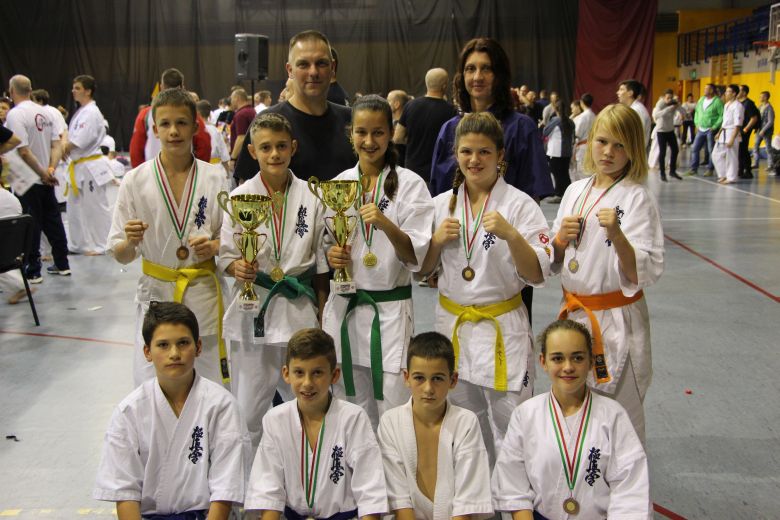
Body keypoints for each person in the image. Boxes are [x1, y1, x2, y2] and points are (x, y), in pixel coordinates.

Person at [421, 112, 550, 462]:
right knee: (463, 430)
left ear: (500, 155)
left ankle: (513, 494)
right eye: (466, 151)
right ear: (455, 154)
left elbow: (536, 274)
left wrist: (511, 235)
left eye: (484, 152)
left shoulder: (520, 205)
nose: (474, 160)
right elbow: (423, 270)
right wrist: (435, 242)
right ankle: (475, 495)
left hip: (501, 329)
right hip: (454, 328)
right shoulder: (440, 206)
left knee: (513, 429)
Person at [550, 103, 664, 444]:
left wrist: (618, 235)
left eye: (620, 145)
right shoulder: (575, 191)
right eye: (602, 142)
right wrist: (559, 239)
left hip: (618, 320)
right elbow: (554, 257)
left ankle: (624, 478)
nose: (608, 152)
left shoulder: (637, 198)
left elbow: (641, 272)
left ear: (634, 149)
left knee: (621, 419)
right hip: (575, 315)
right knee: (575, 412)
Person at [219, 112, 330, 450]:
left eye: (281, 146)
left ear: (293, 148)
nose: (274, 154)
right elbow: (225, 256)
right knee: (248, 412)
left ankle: (305, 474)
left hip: (299, 310)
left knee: (309, 405)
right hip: (254, 311)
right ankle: (246, 481)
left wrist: (323, 313)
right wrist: (237, 267)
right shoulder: (240, 197)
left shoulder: (313, 196)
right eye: (265, 148)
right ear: (252, 151)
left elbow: (321, 262)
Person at [323, 94, 434, 428]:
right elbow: (325, 243)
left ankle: (393, 464)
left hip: (390, 312)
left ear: (391, 133)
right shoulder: (339, 184)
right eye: (361, 132)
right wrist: (332, 256)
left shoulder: (410, 185)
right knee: (348, 406)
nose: (369, 141)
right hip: (345, 307)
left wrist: (386, 224)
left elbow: (417, 257)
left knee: (392, 408)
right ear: (351, 134)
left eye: (378, 132)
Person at [108, 88, 230, 388]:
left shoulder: (215, 177)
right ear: (155, 129)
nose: (173, 131)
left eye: (181, 123)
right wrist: (130, 242)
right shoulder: (134, 180)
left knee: (211, 383)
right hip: (157, 293)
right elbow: (121, 254)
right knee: (153, 385)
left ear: (195, 127)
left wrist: (215, 246)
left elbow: (231, 239)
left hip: (202, 292)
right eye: (165, 124)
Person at [429, 37, 553, 322]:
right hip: (458, 253)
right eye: (470, 69)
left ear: (499, 75)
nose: (477, 76)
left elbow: (531, 198)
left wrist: (517, 247)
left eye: (486, 68)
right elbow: (438, 196)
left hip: (504, 259)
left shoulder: (521, 127)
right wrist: (436, 258)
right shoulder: (449, 130)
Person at [93, 302, 251, 520]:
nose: (174, 353)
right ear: (147, 352)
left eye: (183, 343)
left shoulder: (222, 406)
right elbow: (125, 493)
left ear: (198, 347)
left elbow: (225, 489)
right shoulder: (129, 412)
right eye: (163, 345)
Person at [492, 319, 652, 520]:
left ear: (591, 361)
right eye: (557, 358)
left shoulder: (613, 415)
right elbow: (513, 485)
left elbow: (630, 489)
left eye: (577, 358)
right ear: (543, 362)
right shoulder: (525, 414)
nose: (568, 367)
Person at [244, 328, 388, 520]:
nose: (307, 383)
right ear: (286, 374)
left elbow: (370, 492)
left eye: (317, 373)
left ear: (334, 375)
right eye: (299, 372)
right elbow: (268, 491)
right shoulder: (275, 420)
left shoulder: (353, 418)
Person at [377, 332, 493, 520]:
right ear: (406, 377)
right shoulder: (390, 423)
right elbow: (399, 502)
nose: (428, 388)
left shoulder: (466, 423)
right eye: (419, 378)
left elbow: (466, 503)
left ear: (453, 380)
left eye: (437, 378)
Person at [233, 31, 353, 184]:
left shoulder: (352, 121)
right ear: (290, 70)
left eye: (321, 63)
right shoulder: (266, 122)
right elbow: (247, 190)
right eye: (303, 64)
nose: (313, 72)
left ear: (333, 67)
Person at [5, 74, 70, 283]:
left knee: (30, 224)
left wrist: (42, 173)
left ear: (12, 91)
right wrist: (51, 169)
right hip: (46, 176)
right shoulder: (45, 112)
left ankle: (33, 270)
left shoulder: (16, 114)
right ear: (30, 90)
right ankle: (62, 263)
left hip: (29, 178)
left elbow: (23, 150)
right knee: (53, 220)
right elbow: (57, 144)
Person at [61, 75, 114, 256]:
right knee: (73, 207)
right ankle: (78, 245)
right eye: (73, 87)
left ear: (88, 91)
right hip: (78, 165)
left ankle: (104, 245)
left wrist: (64, 148)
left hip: (90, 166)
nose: (73, 91)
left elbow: (81, 140)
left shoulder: (91, 112)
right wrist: (65, 147)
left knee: (96, 207)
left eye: (77, 88)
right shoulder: (82, 111)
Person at [129, 68, 211, 168]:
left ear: (161, 87)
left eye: (181, 123)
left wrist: (140, 172)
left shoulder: (145, 115)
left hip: (153, 171)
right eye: (165, 124)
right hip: (184, 171)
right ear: (183, 87)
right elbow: (204, 145)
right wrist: (198, 170)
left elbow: (136, 149)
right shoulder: (191, 114)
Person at [393, 68, 457, 185]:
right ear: (444, 86)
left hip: (411, 172)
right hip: (436, 174)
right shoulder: (452, 111)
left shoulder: (410, 106)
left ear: (426, 83)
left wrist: (413, 141)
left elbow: (397, 138)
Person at [688, 83, 723, 176]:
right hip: (701, 129)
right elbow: (697, 112)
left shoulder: (717, 101)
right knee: (695, 148)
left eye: (707, 89)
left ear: (711, 90)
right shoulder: (701, 99)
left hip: (710, 129)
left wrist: (715, 126)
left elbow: (721, 115)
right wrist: (696, 123)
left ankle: (710, 169)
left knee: (711, 150)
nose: (704, 90)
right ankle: (693, 168)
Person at [543, 98, 575, 202]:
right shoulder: (571, 121)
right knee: (564, 174)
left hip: (555, 152)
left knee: (557, 174)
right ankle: (567, 194)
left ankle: (559, 194)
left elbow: (545, 132)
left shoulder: (555, 121)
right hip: (567, 152)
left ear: (555, 109)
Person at [713, 84, 744, 185]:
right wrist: (719, 132)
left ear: (734, 93)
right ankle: (723, 174)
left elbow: (738, 124)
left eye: (728, 91)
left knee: (731, 157)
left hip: (732, 132)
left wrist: (732, 139)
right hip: (724, 132)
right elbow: (724, 121)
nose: (726, 93)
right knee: (715, 155)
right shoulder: (726, 105)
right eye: (726, 91)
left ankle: (731, 177)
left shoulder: (738, 106)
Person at [652, 89, 685, 181]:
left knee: (675, 150)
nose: (669, 100)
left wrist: (678, 106)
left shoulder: (673, 103)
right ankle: (662, 173)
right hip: (661, 131)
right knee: (662, 152)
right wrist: (669, 108)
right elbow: (656, 115)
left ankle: (672, 171)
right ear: (664, 97)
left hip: (670, 130)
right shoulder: (660, 104)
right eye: (667, 98)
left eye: (671, 98)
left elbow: (684, 113)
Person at [196, 99, 230, 174]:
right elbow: (224, 154)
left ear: (197, 113)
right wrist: (227, 173)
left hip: (200, 168)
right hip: (216, 168)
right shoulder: (215, 130)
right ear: (209, 114)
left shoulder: (195, 130)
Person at [616, 79, 651, 148]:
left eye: (621, 89)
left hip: (634, 150)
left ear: (630, 93)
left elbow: (634, 135)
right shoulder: (633, 109)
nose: (617, 92)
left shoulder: (637, 110)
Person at [229, 88, 255, 170]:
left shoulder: (241, 114)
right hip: (252, 156)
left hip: (243, 158)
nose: (231, 102)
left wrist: (233, 158)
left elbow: (241, 137)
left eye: (232, 99)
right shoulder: (252, 111)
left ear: (237, 98)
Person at [572, 93, 596, 183]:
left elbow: (577, 133)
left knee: (581, 171)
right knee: (588, 169)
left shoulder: (582, 117)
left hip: (582, 146)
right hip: (590, 144)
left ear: (581, 103)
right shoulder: (594, 115)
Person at [737, 85, 760, 179]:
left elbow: (754, 118)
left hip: (744, 130)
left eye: (739, 90)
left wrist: (745, 129)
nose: (737, 92)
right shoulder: (739, 103)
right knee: (740, 150)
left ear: (744, 93)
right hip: (739, 129)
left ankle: (748, 171)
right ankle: (740, 170)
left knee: (743, 150)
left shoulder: (748, 104)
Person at [753, 91, 774, 171]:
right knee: (755, 146)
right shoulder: (760, 107)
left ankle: (770, 165)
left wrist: (763, 130)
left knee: (768, 148)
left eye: (761, 96)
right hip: (759, 130)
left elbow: (770, 121)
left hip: (766, 131)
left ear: (765, 97)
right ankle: (756, 163)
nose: (760, 98)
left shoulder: (769, 108)